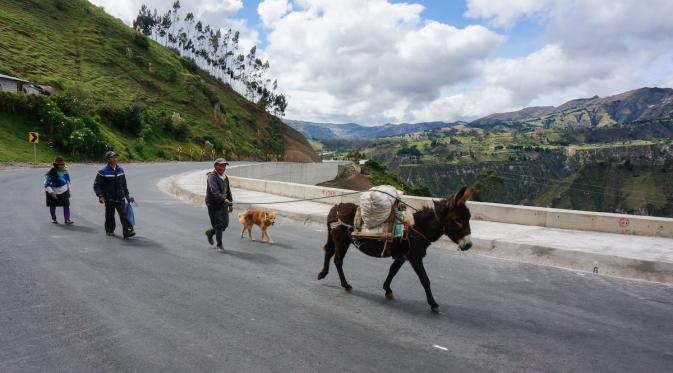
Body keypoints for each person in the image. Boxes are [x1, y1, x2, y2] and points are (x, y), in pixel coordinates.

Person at [93, 151, 135, 238]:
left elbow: (124, 184)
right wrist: (100, 196)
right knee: (109, 215)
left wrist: (127, 196)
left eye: (116, 157)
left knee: (124, 214)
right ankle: (109, 230)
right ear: (108, 159)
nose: (115, 159)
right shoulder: (102, 171)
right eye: (112, 157)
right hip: (109, 198)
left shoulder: (120, 170)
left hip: (120, 197)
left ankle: (128, 231)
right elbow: (97, 185)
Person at [205, 158, 233, 253]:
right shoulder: (212, 177)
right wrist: (223, 199)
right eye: (220, 165)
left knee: (225, 224)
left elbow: (228, 191)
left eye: (224, 166)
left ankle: (210, 232)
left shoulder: (225, 177)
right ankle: (219, 245)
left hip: (223, 203)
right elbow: (214, 191)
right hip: (213, 204)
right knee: (218, 225)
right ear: (215, 166)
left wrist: (231, 203)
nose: (223, 168)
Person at [44, 157, 73, 225]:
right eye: (61, 165)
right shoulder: (51, 172)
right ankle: (54, 219)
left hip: (64, 191)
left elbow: (67, 182)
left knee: (66, 204)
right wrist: (51, 193)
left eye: (63, 164)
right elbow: (46, 184)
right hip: (53, 191)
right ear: (57, 165)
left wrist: (69, 191)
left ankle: (67, 219)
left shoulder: (65, 171)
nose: (63, 166)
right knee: (52, 205)